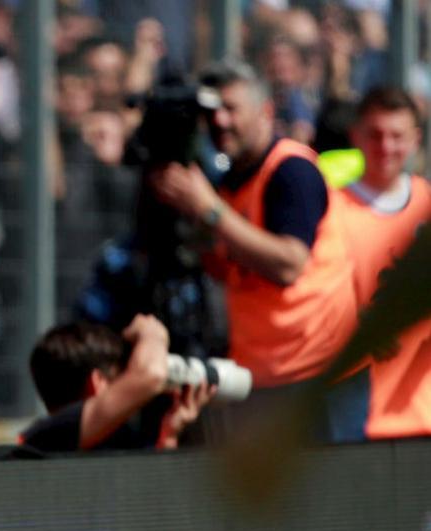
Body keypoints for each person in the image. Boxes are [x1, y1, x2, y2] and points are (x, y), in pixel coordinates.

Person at [149, 59, 358, 440]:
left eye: (232, 109)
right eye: (212, 113)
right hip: (260, 376)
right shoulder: (230, 182)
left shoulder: (290, 169)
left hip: (313, 374)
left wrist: (208, 211)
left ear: (265, 111)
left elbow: (289, 264)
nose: (220, 122)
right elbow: (229, 265)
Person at [336, 86, 431, 438]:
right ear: (356, 136)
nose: (386, 147)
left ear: (416, 140)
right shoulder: (332, 211)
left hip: (422, 413)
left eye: (397, 136)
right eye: (375, 135)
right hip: (353, 416)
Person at [20, 316, 215, 454]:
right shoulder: (51, 437)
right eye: (122, 379)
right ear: (97, 383)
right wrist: (153, 334)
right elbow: (151, 375)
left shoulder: (61, 447)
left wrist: (169, 435)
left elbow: (152, 504)